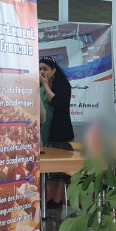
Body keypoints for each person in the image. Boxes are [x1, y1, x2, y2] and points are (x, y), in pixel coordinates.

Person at [39, 56, 74, 206]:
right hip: (44, 132)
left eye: (45, 69)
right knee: (45, 170)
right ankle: (46, 198)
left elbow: (57, 102)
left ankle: (58, 199)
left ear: (54, 70)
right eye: (40, 69)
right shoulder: (38, 86)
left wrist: (46, 85)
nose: (42, 72)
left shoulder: (63, 85)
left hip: (60, 133)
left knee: (59, 170)